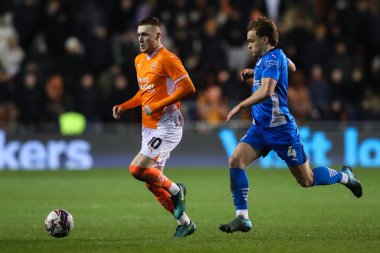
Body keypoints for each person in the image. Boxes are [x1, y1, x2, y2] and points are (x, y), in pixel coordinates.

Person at [219, 17, 363, 233]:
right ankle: (242, 218)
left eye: (251, 41)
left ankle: (345, 176)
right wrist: (255, 72)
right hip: (259, 128)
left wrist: (241, 105)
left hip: (281, 130)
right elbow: (292, 67)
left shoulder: (271, 59)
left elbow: (266, 91)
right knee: (236, 160)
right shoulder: (268, 58)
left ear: (265, 39)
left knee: (307, 179)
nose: (248, 45)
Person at [112, 17, 196, 238]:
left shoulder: (168, 59)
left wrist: (159, 104)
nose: (140, 38)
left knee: (137, 169)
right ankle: (185, 223)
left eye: (146, 34)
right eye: (139, 34)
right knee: (152, 182)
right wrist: (125, 105)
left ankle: (177, 191)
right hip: (148, 128)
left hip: (167, 126)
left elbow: (188, 88)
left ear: (158, 36)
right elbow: (145, 92)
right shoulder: (139, 60)